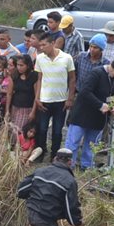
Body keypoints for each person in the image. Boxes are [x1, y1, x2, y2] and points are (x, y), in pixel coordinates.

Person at [17, 148, 82, 226]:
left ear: (55, 159)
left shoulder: (40, 171)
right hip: (47, 220)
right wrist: (78, 223)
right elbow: (71, 209)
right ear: (70, 162)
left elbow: (21, 190)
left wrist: (35, 199)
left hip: (32, 214)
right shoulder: (70, 181)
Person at [65, 57, 114, 169]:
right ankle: (68, 166)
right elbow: (85, 92)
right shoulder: (96, 73)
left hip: (99, 118)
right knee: (73, 143)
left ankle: (87, 166)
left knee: (92, 144)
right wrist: (100, 105)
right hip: (82, 115)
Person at [34, 32, 77, 160]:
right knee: (42, 129)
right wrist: (37, 98)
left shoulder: (66, 58)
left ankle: (55, 156)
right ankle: (40, 153)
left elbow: (72, 79)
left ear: (52, 43)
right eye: (40, 45)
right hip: (44, 100)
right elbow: (39, 79)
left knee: (57, 131)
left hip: (60, 101)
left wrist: (70, 99)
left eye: (44, 45)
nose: (41, 47)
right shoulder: (40, 58)